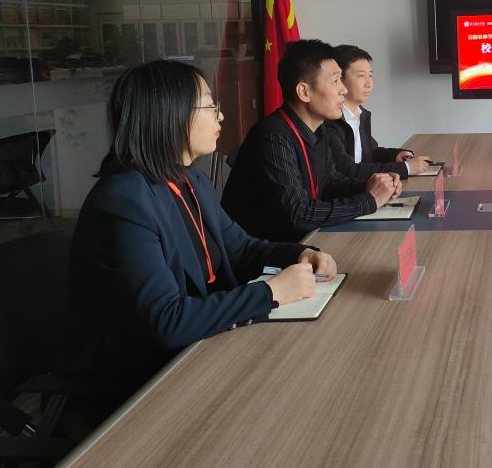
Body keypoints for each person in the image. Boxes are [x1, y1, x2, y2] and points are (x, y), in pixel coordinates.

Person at [62, 59, 338, 420]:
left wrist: (300, 253)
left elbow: (241, 249)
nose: (221, 116)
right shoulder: (122, 202)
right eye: (210, 106)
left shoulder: (191, 179)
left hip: (204, 343)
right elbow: (166, 321)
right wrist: (270, 293)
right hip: (144, 382)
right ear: (170, 116)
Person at [222, 39, 400, 240]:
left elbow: (330, 183)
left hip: (304, 241)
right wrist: (369, 201)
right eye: (335, 81)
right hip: (266, 250)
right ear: (304, 92)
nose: (343, 89)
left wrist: (373, 186)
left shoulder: (318, 129)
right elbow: (298, 214)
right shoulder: (272, 137)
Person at [320, 44, 431, 182]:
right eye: (361, 76)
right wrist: (406, 168)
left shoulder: (361, 114)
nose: (369, 83)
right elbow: (348, 170)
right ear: (339, 79)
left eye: (370, 75)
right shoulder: (330, 122)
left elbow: (370, 153)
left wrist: (396, 155)